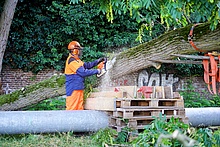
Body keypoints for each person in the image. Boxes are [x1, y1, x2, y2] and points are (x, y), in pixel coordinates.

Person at [64, 41, 105, 110]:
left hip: (79, 88)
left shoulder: (77, 60)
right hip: (73, 89)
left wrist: (98, 61)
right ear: (75, 51)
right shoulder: (71, 61)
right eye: (79, 50)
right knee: (72, 109)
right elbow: (83, 72)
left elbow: (87, 65)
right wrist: (97, 71)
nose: (80, 52)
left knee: (79, 109)